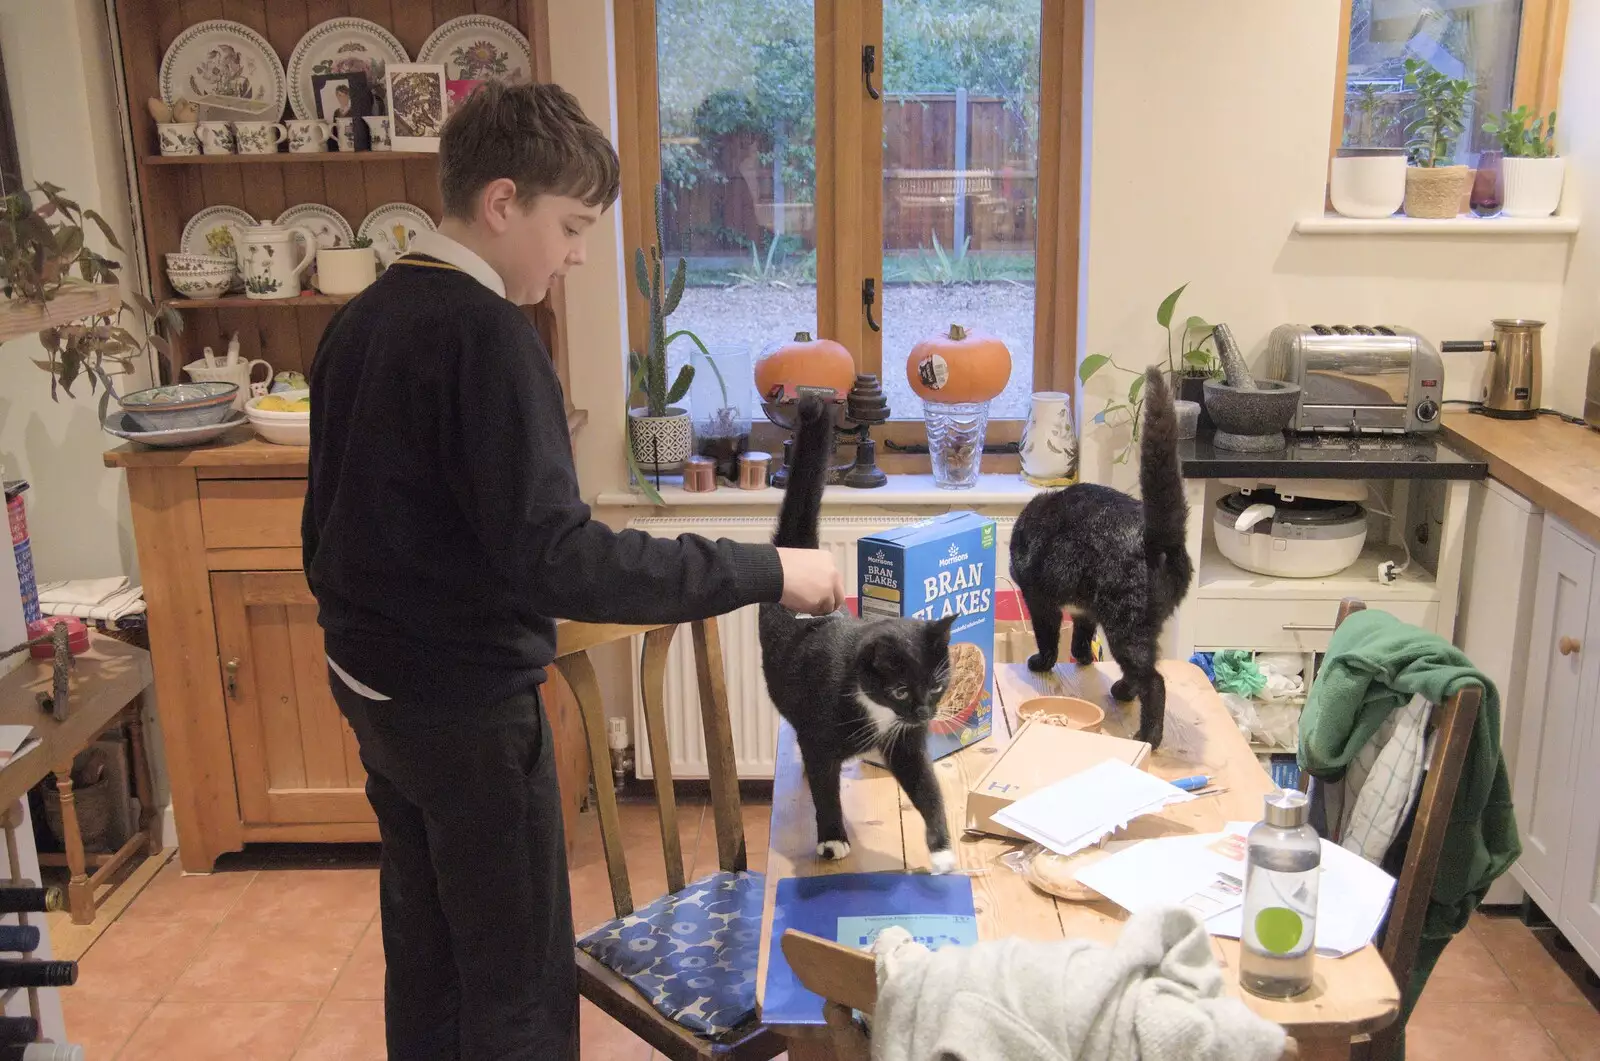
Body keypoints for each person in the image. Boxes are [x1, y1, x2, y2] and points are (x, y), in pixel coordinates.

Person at [301, 81, 844, 1061]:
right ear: (502, 202)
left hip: (376, 697)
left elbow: (330, 533)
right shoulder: (488, 335)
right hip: (467, 714)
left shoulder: (362, 317)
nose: (577, 253)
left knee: (427, 957)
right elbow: (563, 562)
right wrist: (769, 568)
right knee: (515, 983)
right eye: (571, 224)